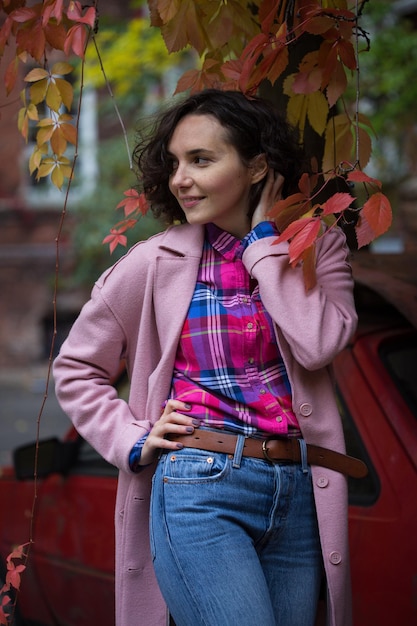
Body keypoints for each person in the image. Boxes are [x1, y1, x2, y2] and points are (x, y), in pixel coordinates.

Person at [53, 89, 363, 626]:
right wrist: (132, 436)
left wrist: (264, 246)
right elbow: (76, 367)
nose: (180, 178)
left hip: (298, 496)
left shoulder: (316, 249)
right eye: (174, 163)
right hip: (200, 485)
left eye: (200, 160)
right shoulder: (153, 262)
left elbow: (319, 344)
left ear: (257, 166)